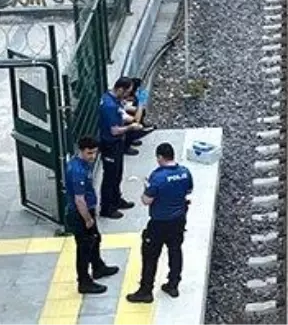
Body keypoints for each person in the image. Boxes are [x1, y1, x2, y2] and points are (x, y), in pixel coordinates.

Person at [126, 142, 194, 303]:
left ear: (160, 157)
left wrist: (145, 188)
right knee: (175, 251)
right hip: (178, 220)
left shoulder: (157, 177)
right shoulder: (185, 172)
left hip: (159, 223)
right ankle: (173, 284)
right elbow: (188, 191)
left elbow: (146, 200)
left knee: (150, 256)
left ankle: (146, 291)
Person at [64, 136, 119, 294]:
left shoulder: (82, 164)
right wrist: (87, 219)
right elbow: (79, 200)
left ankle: (98, 266)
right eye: (89, 153)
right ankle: (84, 281)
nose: (93, 157)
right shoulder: (77, 171)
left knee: (95, 239)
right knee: (84, 247)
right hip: (80, 213)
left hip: (87, 210)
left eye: (95, 153)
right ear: (81, 151)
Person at [97, 78, 140, 219]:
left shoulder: (111, 99)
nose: (128, 95)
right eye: (127, 91)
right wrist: (130, 127)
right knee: (110, 177)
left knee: (118, 173)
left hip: (116, 143)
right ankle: (106, 208)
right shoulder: (109, 106)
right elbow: (114, 130)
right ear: (120, 89)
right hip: (110, 144)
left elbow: (121, 113)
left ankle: (116, 199)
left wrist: (131, 119)